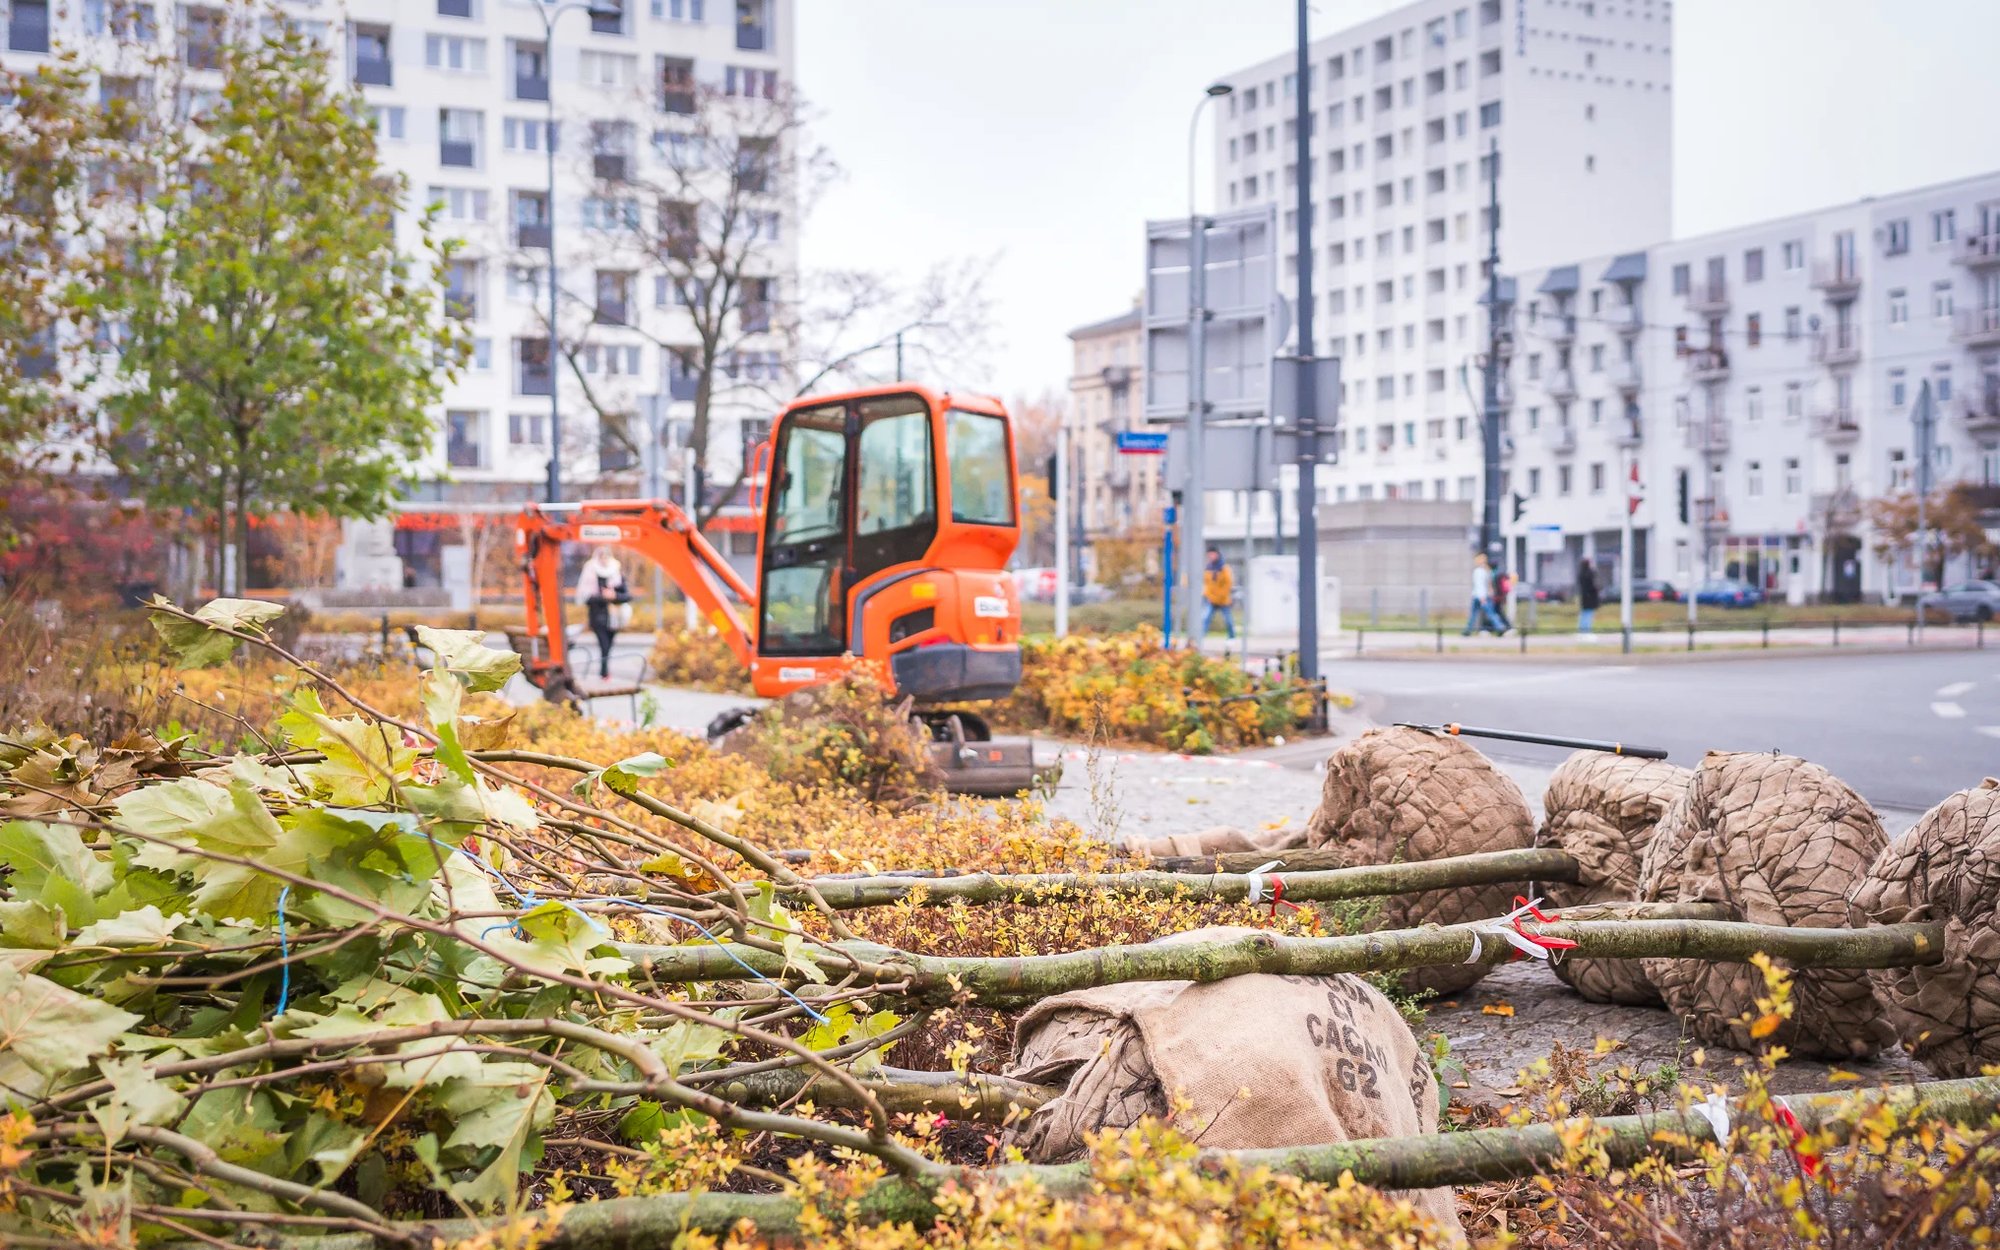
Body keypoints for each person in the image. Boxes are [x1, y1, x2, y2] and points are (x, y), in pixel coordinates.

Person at [575, 548, 630, 679]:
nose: (604, 560)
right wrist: (603, 597)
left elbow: (626, 595)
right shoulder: (591, 573)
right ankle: (604, 672)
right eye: (602, 557)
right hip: (598, 617)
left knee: (608, 645)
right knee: (604, 644)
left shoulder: (616, 572)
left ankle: (604, 671)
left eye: (606, 557)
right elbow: (586, 597)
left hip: (615, 617)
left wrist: (614, 595)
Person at [1462, 552, 1505, 635]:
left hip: (1480, 596)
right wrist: (1490, 595)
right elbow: (1489, 585)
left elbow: (1479, 585)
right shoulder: (1487, 571)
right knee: (1490, 613)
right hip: (1485, 596)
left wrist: (1482, 597)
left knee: (1479, 614)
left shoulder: (1478, 571)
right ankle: (1468, 630)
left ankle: (1500, 627)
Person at [1201, 548, 1236, 640]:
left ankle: (1232, 637)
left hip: (1223, 600)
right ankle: (1201, 636)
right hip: (1211, 600)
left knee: (1228, 620)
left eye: (1212, 554)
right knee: (1205, 618)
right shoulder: (1208, 568)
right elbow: (1207, 584)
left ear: (1217, 554)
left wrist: (1221, 596)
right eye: (1209, 555)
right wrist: (1209, 595)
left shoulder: (1224, 568)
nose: (1211, 557)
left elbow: (1228, 584)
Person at [1576, 559, 1601, 636]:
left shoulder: (1581, 573)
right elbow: (1594, 585)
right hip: (1590, 597)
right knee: (1588, 614)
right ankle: (1586, 630)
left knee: (1584, 613)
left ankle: (1582, 629)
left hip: (1584, 597)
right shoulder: (1590, 573)